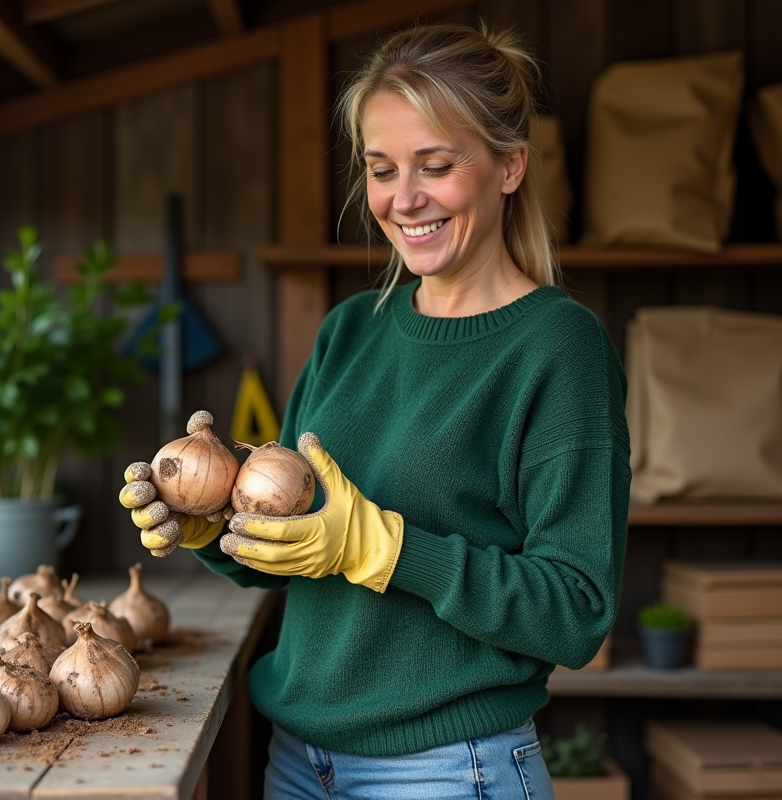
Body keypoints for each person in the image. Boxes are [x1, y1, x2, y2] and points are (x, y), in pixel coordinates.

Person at [120, 21, 630, 800]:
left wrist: (387, 550)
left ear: (509, 166)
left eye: (437, 166)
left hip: (448, 771)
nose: (405, 199)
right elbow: (290, 538)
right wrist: (209, 526)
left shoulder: (558, 347)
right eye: (383, 169)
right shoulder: (349, 331)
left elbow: (577, 611)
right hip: (298, 761)